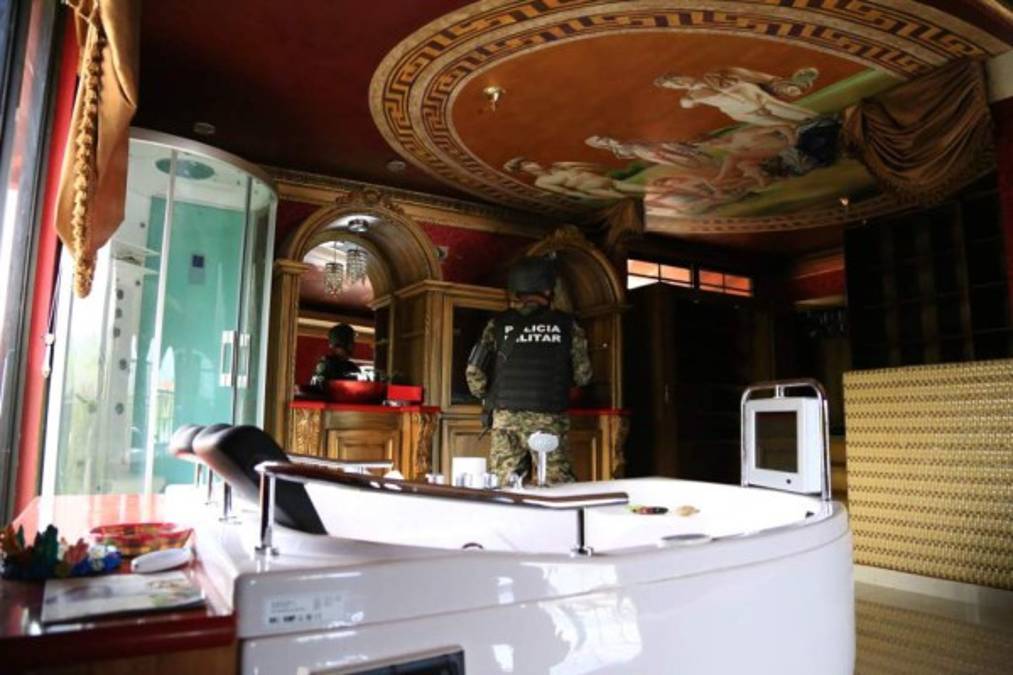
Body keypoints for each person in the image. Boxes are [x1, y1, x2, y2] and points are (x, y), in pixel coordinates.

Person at [465, 256, 593, 485]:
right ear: (548, 290)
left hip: (506, 420)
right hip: (549, 419)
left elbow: (474, 371)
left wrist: (488, 395)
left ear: (518, 290)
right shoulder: (567, 325)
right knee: (556, 487)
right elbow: (583, 375)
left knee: (505, 486)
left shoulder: (498, 324)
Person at [309, 323, 360, 389]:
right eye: (352, 342)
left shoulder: (352, 367)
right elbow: (317, 390)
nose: (354, 345)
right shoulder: (327, 365)